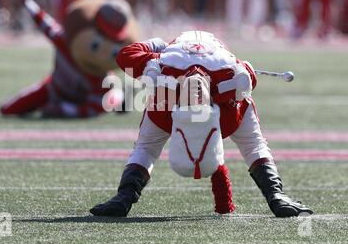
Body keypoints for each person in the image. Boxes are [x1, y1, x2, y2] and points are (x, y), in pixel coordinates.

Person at [90, 30, 313, 218]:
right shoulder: (227, 84)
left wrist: (155, 48)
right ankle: (276, 195)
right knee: (251, 142)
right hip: (210, 89)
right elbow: (247, 81)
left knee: (146, 147)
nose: (195, 92)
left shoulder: (166, 77)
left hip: (181, 90)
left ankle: (124, 197)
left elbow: (126, 55)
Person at [0, 0, 139, 118]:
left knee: (110, 98)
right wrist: (25, 1)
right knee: (8, 109)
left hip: (84, 97)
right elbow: (43, 21)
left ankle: (121, 97)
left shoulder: (102, 80)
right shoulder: (64, 42)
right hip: (54, 89)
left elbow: (92, 109)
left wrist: (64, 109)